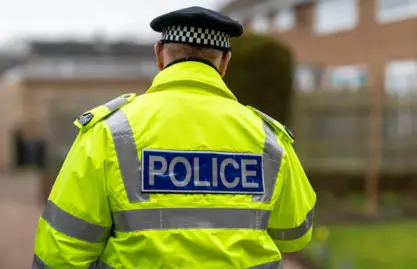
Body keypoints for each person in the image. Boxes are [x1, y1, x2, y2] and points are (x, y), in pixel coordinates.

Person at [32, 6, 316, 269]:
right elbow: (295, 234)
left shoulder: (110, 131)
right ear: (225, 61)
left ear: (159, 54)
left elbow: (61, 251)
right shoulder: (268, 138)